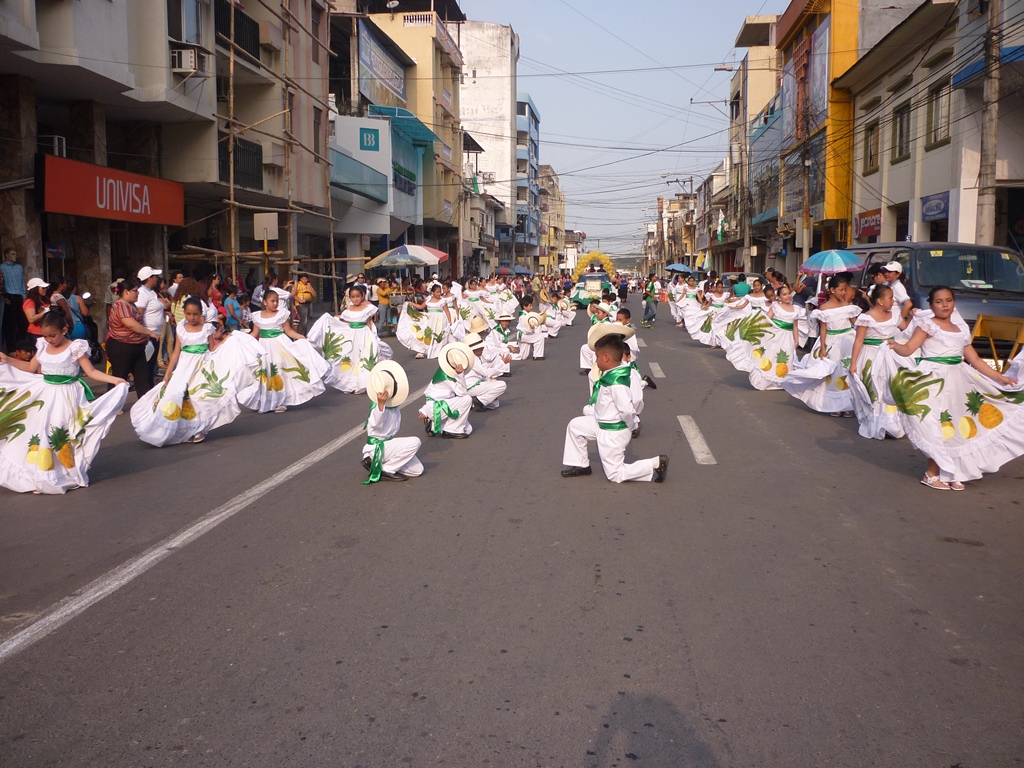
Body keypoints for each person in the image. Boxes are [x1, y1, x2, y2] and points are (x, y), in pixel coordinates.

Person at [881, 286, 1023, 490]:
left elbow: (975, 360)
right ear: (931, 306)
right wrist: (895, 346)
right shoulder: (927, 326)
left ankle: (953, 471)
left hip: (959, 381)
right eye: (939, 301)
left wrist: (1000, 378)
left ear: (954, 303)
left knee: (957, 425)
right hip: (934, 381)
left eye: (948, 300)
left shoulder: (960, 329)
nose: (944, 305)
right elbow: (909, 348)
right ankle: (931, 474)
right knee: (938, 426)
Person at [0, 309, 129, 494]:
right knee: (44, 433)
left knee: (62, 433)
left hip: (67, 396)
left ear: (64, 330)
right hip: (46, 394)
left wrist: (114, 380)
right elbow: (29, 367)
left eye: (52, 335)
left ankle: (66, 473)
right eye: (45, 336)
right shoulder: (43, 346)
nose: (48, 339)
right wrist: (8, 360)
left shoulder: (75, 347)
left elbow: (91, 371)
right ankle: (43, 476)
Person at [131, 296, 260, 446]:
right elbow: (176, 352)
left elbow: (212, 349)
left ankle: (198, 430)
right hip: (184, 368)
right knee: (177, 397)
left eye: (195, 314)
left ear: (201, 314)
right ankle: (180, 430)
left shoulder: (207, 328)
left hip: (202, 367)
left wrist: (225, 341)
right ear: (184, 313)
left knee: (198, 397)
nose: (192, 317)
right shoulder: (181, 328)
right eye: (188, 314)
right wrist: (168, 373)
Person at [561, 326, 668, 483]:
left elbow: (627, 410)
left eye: (597, 356)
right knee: (575, 426)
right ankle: (582, 465)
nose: (595, 360)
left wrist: (632, 425)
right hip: (601, 423)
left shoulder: (617, 382)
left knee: (615, 475)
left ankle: (655, 464)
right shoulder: (611, 373)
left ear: (606, 358)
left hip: (613, 431)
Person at [781, 273, 862, 417]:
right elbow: (823, 329)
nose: (843, 292)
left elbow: (856, 323)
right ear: (832, 290)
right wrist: (823, 348)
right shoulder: (824, 308)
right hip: (832, 341)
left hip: (847, 340)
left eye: (845, 289)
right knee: (834, 372)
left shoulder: (847, 306)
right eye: (841, 290)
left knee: (845, 370)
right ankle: (835, 405)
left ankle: (847, 405)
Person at [239, 288, 328, 414]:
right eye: (272, 301)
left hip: (279, 345)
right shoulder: (257, 316)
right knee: (266, 372)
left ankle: (280, 401)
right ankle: (266, 401)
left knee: (280, 370)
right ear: (265, 302)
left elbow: (288, 330)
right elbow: (254, 333)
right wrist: (241, 339)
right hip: (264, 347)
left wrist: (299, 336)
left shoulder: (281, 314)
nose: (275, 303)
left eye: (277, 301)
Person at [847, 284, 908, 440]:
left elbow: (907, 329)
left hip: (890, 356)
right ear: (880, 300)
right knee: (875, 389)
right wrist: (853, 363)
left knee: (889, 387)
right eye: (890, 298)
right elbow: (858, 340)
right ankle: (876, 423)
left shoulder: (894, 315)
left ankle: (891, 425)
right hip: (871, 356)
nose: (893, 301)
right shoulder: (865, 318)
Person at [307, 284, 393, 394]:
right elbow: (346, 322)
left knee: (361, 359)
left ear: (362, 296)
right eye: (353, 297)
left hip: (363, 335)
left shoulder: (368, 309)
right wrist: (336, 319)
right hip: (351, 337)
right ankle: (348, 385)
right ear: (350, 297)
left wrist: (372, 338)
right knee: (349, 359)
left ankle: (360, 385)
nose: (355, 299)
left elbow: (369, 324)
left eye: (358, 296)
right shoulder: (348, 309)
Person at [361, 361, 422, 483]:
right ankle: (387, 469)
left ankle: (376, 464)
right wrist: (380, 405)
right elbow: (375, 425)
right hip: (376, 447)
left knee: (418, 470)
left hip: (387, 447)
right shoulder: (377, 407)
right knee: (415, 442)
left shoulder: (393, 407)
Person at [106, 278, 161, 397]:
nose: (138, 293)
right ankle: (111, 404)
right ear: (126, 292)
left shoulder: (131, 305)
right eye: (135, 291)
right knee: (119, 377)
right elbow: (131, 324)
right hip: (122, 346)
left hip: (136, 346)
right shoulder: (120, 305)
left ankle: (145, 404)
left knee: (143, 378)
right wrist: (149, 333)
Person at [744, 284, 804, 391]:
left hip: (788, 337)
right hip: (776, 336)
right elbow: (766, 319)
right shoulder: (775, 306)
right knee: (772, 356)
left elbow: (795, 326)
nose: (787, 296)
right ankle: (769, 380)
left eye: (789, 293)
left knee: (787, 357)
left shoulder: (796, 309)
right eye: (784, 294)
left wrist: (797, 339)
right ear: (779, 297)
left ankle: (783, 381)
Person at [418, 341, 474, 438]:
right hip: (437, 407)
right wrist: (460, 375)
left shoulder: (443, 371)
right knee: (467, 399)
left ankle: (434, 425)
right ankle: (450, 430)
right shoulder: (447, 376)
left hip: (441, 404)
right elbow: (462, 393)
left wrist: (425, 409)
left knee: (468, 430)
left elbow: (432, 392)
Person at [136, 266, 170, 380]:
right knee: (146, 366)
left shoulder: (151, 293)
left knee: (151, 365)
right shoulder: (142, 293)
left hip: (155, 333)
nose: (157, 279)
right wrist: (145, 333)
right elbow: (139, 315)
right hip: (148, 335)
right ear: (149, 278)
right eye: (155, 276)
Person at [464, 331, 508, 411]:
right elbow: (486, 373)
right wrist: (502, 363)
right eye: (481, 347)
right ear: (475, 349)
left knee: (495, 404)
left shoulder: (473, 357)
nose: (483, 348)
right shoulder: (472, 358)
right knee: (502, 385)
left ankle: (474, 402)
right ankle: (478, 401)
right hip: (471, 387)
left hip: (474, 384)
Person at [1, 247, 27, 352]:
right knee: (9, 324)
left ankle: (20, 346)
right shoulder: (2, 267)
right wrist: (4, 297)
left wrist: (24, 296)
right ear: (6, 255)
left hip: (19, 296)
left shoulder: (19, 268)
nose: (15, 256)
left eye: (15, 254)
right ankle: (11, 348)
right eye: (12, 254)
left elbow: (22, 282)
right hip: (9, 296)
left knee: (23, 323)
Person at [516, 296, 545, 361]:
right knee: (540, 337)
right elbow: (525, 330)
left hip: (524, 335)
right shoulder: (523, 316)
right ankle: (537, 356)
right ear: (524, 306)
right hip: (523, 335)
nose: (531, 307)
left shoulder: (525, 315)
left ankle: (509, 356)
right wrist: (531, 328)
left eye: (531, 305)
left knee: (523, 356)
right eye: (530, 306)